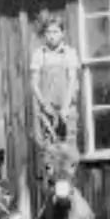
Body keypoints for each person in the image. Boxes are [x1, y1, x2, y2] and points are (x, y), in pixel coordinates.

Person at [30, 15, 80, 146]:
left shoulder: (69, 53)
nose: (51, 36)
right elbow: (34, 84)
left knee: (68, 150)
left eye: (55, 32)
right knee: (50, 150)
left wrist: (65, 107)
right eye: (48, 32)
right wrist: (45, 105)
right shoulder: (39, 54)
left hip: (67, 108)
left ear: (62, 34)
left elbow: (72, 81)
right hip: (48, 109)